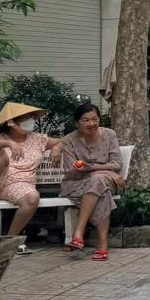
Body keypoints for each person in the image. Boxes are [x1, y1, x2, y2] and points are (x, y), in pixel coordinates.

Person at [0, 102, 61, 253]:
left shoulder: (37, 139)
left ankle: (10, 241)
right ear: (11, 122)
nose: (30, 121)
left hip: (19, 186)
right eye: (25, 118)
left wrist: (57, 148)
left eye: (31, 117)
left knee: (32, 198)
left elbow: (62, 140)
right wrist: (9, 143)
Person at [58, 102, 124, 259]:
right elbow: (71, 172)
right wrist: (106, 171)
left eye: (95, 119)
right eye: (86, 120)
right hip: (76, 184)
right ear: (77, 123)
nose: (91, 123)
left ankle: (78, 232)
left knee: (98, 181)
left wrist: (92, 169)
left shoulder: (109, 134)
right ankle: (102, 246)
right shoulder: (69, 140)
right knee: (101, 190)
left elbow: (117, 164)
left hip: (106, 181)